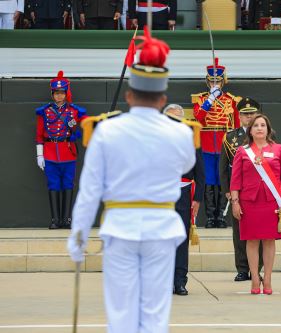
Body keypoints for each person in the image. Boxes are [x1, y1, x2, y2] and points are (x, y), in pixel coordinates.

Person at [67, 27, 196, 333]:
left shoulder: (106, 131)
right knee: (155, 314)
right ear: (163, 97)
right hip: (161, 227)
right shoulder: (180, 132)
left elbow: (90, 190)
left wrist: (78, 236)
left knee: (121, 314)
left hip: (120, 227)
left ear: (128, 95)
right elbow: (187, 164)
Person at [230, 114, 281, 295]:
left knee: (269, 240)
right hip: (249, 202)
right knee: (251, 240)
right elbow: (235, 181)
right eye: (255, 125)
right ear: (250, 130)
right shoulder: (243, 151)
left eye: (262, 125)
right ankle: (255, 278)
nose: (259, 128)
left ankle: (269, 278)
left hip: (271, 201)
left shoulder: (278, 149)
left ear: (268, 129)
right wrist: (235, 202)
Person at [192, 58, 240, 229]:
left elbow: (236, 124)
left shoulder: (231, 100)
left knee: (222, 178)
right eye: (212, 81)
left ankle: (221, 216)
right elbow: (199, 117)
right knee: (208, 179)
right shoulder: (200, 99)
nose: (214, 83)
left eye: (217, 81)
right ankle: (211, 216)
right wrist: (210, 99)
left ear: (223, 81)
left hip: (224, 142)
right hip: (206, 142)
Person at [35, 71, 87, 230]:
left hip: (68, 152)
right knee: (53, 185)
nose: (59, 96)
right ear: (52, 94)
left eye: (62, 93)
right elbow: (39, 135)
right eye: (56, 93)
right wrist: (39, 154)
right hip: (50, 153)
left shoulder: (74, 111)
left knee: (68, 185)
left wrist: (96, 122)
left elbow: (85, 125)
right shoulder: (44, 111)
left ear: (66, 93)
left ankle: (66, 219)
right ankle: (55, 219)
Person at [220, 97, 263, 282]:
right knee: (239, 232)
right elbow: (223, 167)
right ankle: (242, 269)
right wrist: (227, 190)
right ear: (239, 116)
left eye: (252, 114)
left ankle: (257, 269)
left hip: (261, 191)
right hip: (238, 191)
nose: (249, 117)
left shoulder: (266, 135)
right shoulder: (231, 137)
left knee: (259, 231)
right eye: (245, 114)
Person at [163, 104, 205, 296]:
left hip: (183, 192)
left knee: (181, 237)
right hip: (160, 193)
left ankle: (180, 280)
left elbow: (200, 171)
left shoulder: (190, 139)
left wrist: (197, 198)